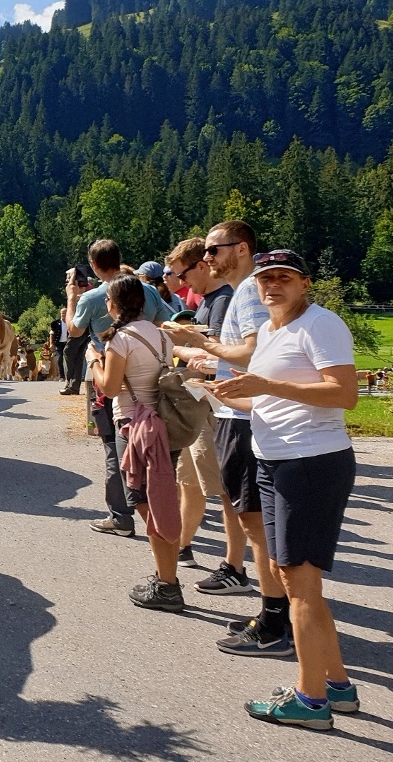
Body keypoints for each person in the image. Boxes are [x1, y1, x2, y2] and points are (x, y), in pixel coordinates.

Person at [211, 249, 359, 729]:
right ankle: (336, 686)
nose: (273, 285)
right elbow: (272, 394)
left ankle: (310, 700)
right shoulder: (274, 332)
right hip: (276, 462)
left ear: (304, 283)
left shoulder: (321, 324)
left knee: (298, 582)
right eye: (266, 278)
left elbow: (344, 394)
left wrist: (269, 388)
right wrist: (231, 392)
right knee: (297, 578)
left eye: (284, 278)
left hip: (312, 462)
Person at [167, 221, 291, 657]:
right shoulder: (243, 293)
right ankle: (272, 611)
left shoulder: (249, 294)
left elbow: (255, 352)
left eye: (214, 251)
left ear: (240, 249)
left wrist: (200, 347)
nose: (207, 259)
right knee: (251, 520)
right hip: (234, 411)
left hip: (242, 417)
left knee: (255, 524)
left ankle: (276, 620)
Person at [86, 275, 183, 611]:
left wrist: (94, 362)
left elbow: (110, 388)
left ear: (113, 304)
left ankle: (168, 584)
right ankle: (165, 574)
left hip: (135, 427)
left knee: (146, 502)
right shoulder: (160, 334)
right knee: (160, 498)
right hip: (164, 424)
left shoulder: (119, 340)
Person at [66, 240, 173, 536]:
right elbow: (168, 322)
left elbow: (73, 331)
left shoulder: (94, 298)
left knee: (115, 450)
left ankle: (124, 516)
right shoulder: (148, 289)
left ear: (94, 265)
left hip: (115, 379)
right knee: (158, 455)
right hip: (155, 382)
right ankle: (166, 518)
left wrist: (72, 297)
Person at [165, 237, 241, 575]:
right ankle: (181, 547)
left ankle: (234, 566)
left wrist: (180, 346)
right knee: (190, 483)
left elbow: (217, 356)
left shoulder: (223, 302)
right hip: (200, 404)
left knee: (224, 489)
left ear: (201, 267)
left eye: (182, 275)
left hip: (214, 407)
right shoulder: (210, 300)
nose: (182, 284)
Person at [59, 267, 91, 395]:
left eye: (69, 276)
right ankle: (74, 385)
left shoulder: (80, 292)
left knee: (69, 352)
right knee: (78, 356)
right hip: (85, 328)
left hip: (79, 327)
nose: (67, 280)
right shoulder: (83, 290)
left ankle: (70, 383)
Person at [49, 308, 68, 381]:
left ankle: (69, 376)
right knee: (59, 359)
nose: (63, 315)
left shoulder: (71, 322)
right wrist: (51, 343)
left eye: (65, 313)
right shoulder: (55, 323)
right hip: (59, 344)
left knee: (69, 359)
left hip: (68, 343)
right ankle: (62, 376)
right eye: (62, 313)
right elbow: (51, 333)